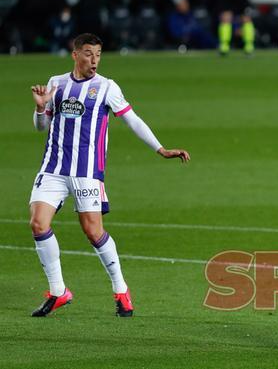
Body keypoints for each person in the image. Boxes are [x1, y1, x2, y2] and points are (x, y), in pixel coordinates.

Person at [29, 33, 190, 317]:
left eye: (99, 54)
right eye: (89, 54)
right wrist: (41, 107)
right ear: (75, 54)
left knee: (93, 231)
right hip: (53, 168)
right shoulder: (57, 83)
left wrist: (160, 149)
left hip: (88, 172)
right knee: (38, 225)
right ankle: (58, 291)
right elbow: (41, 127)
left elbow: (133, 119)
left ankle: (121, 289)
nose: (95, 60)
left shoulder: (106, 87)